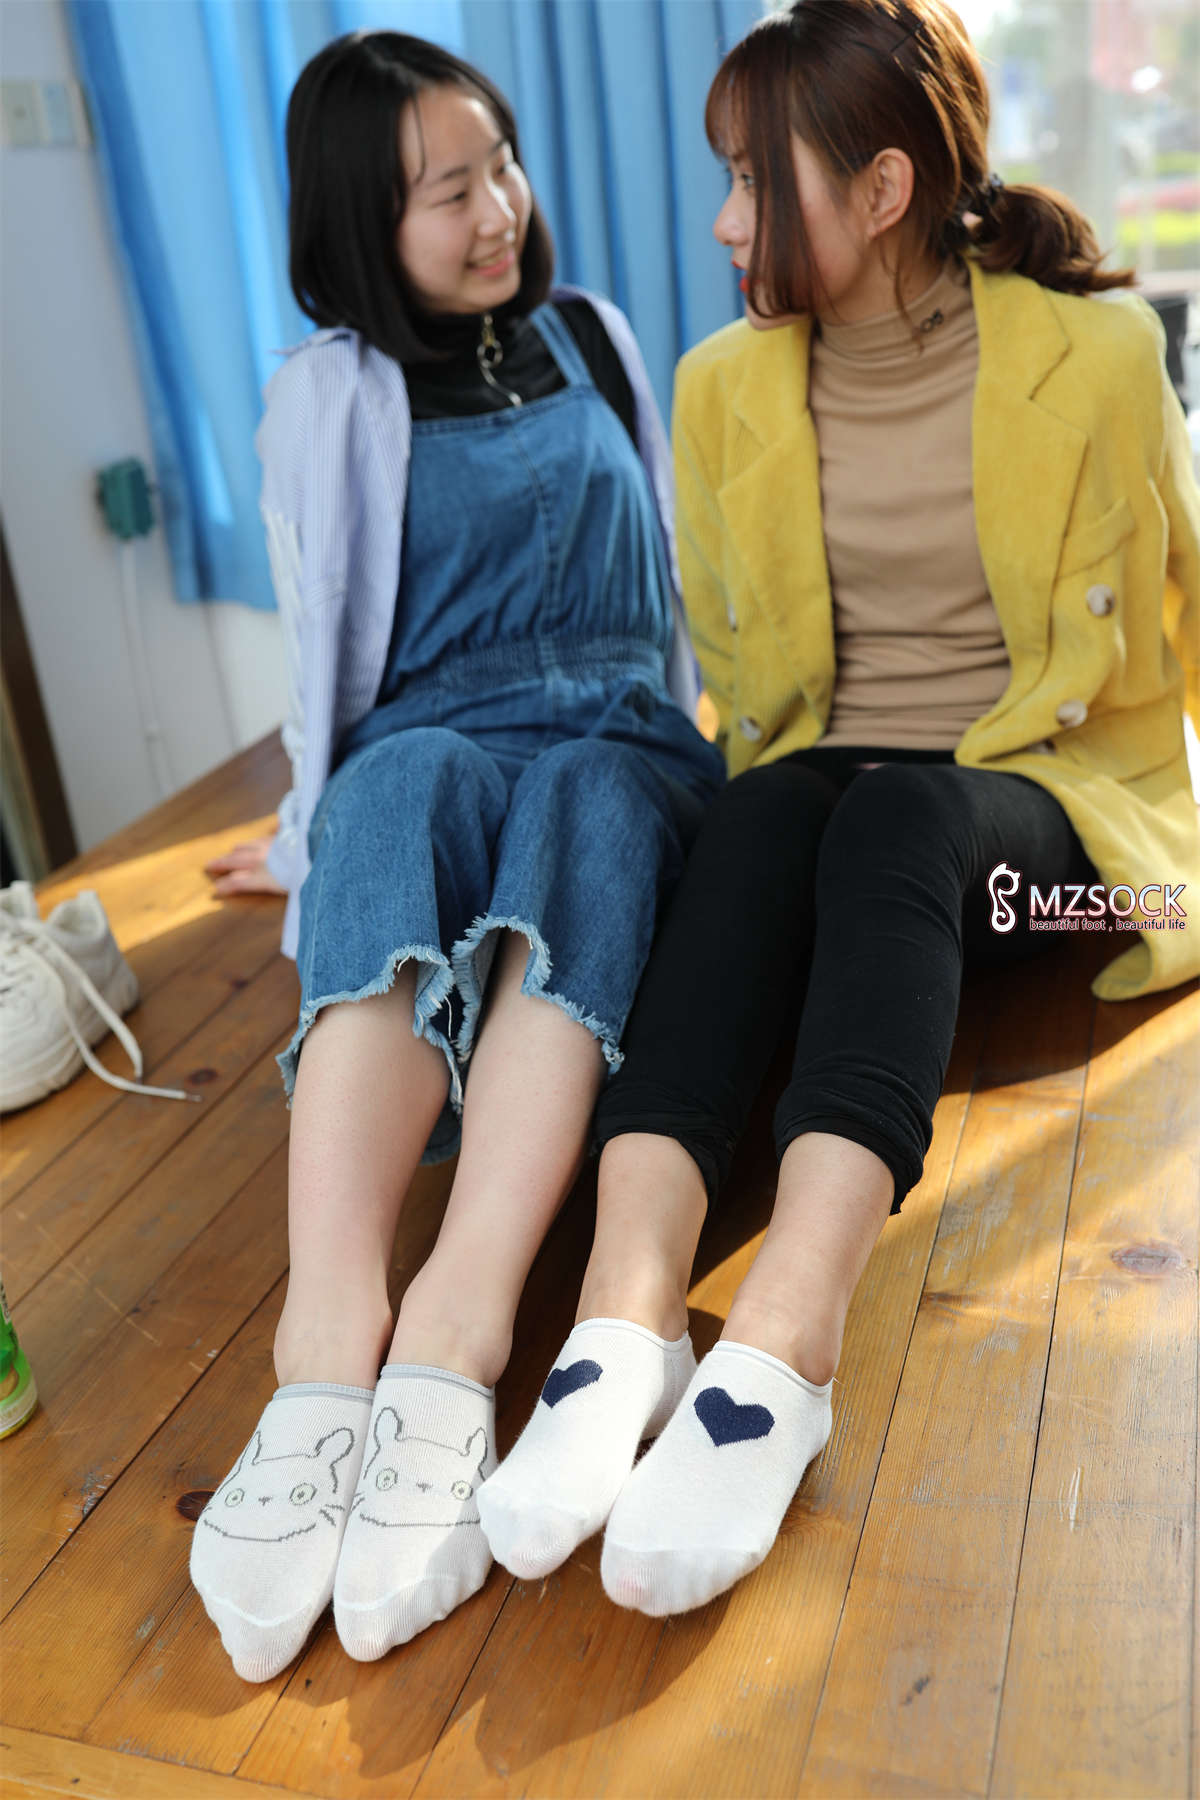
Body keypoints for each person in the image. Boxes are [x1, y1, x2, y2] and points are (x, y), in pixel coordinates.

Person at [476, 0, 1200, 1619]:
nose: (724, 222)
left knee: (897, 821)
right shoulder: (723, 389)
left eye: (754, 179)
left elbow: (1189, 602)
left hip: (1086, 872)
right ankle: (623, 1317)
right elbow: (749, 691)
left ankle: (788, 1343)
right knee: (760, 815)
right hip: (851, 835)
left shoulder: (1097, 361)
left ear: (881, 191)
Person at [190, 30, 723, 1682]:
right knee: (389, 788)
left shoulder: (594, 336)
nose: (499, 210)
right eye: (448, 190)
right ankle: (326, 1337)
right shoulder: (327, 394)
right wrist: (311, 839)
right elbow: (322, 659)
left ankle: (458, 1323)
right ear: (366, 219)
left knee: (587, 797)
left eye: (501, 166)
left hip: (617, 726)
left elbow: (669, 592)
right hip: (438, 726)